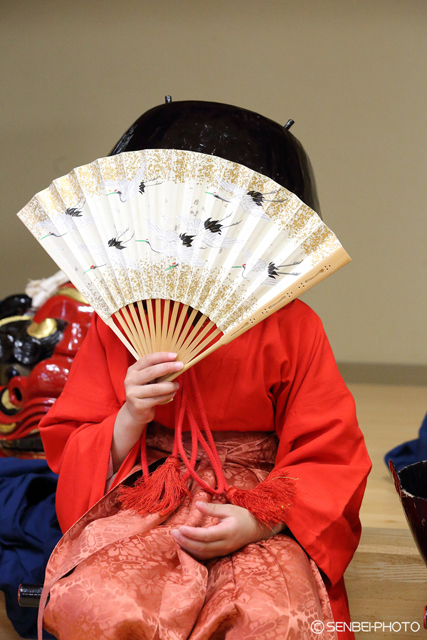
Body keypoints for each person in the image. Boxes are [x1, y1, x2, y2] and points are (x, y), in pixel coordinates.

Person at [37, 100, 372, 640]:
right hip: (147, 487)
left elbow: (329, 451)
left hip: (257, 498)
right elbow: (73, 439)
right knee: (94, 601)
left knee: (275, 619)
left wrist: (261, 520)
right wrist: (129, 417)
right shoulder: (121, 318)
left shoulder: (294, 326)